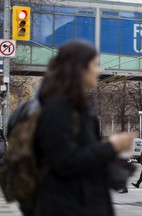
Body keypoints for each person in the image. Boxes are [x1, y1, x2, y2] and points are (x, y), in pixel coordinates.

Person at [29, 40, 135, 216]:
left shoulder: (79, 109)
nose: (99, 71)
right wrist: (111, 146)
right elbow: (65, 163)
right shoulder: (58, 109)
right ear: (78, 68)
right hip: (67, 206)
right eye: (95, 65)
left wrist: (118, 155)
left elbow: (90, 165)